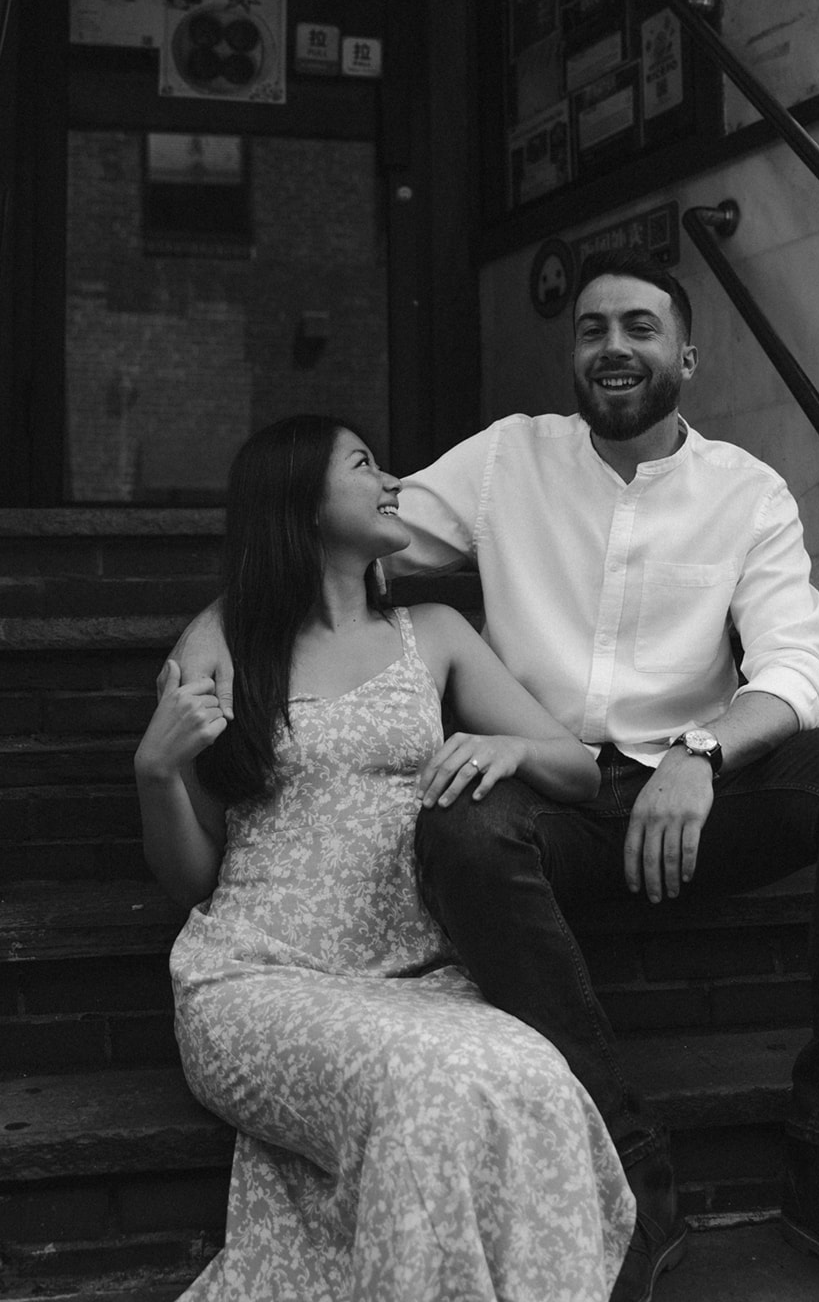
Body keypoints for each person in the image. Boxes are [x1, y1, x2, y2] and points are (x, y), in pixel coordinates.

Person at [172, 253, 819, 1302]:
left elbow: (796, 670)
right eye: (591, 330)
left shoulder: (744, 490)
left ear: (686, 351)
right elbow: (344, 536)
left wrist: (702, 754)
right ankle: (630, 1167)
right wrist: (214, 624)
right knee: (457, 830)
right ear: (572, 354)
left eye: (638, 326)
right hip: (550, 798)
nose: (613, 348)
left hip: (699, 795)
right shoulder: (507, 461)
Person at [136, 413, 635, 1302]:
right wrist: (156, 772)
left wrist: (509, 750)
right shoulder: (226, 646)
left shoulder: (434, 632)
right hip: (257, 979)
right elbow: (190, 879)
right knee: (423, 1089)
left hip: (420, 979)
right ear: (301, 504)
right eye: (365, 464)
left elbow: (580, 770)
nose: (394, 479)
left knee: (534, 1077)